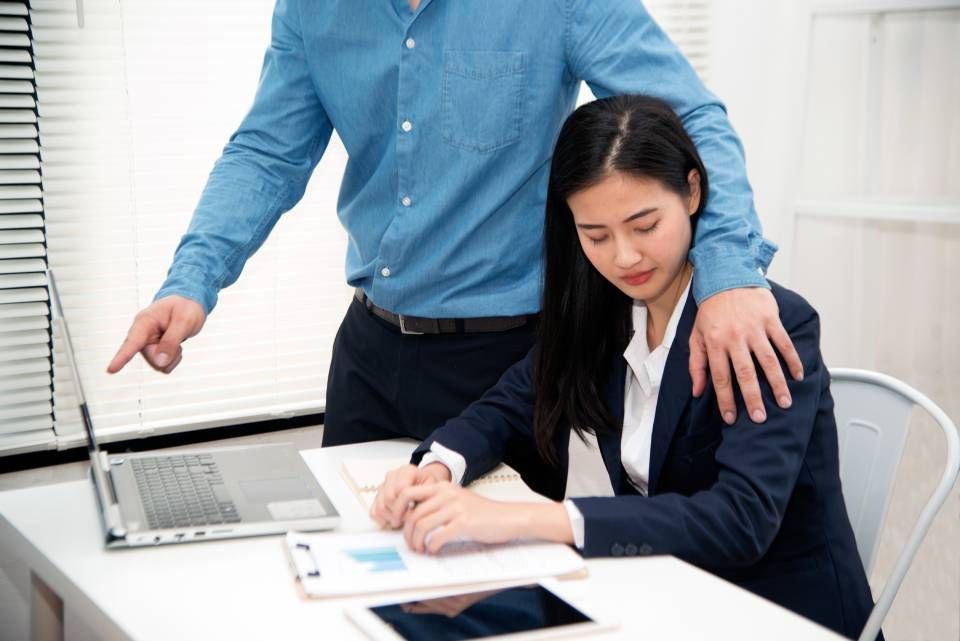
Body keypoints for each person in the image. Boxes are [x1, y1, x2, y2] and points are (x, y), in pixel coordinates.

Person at [105, 0, 804, 449]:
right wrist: (190, 281)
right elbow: (266, 153)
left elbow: (690, 121)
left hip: (503, 364)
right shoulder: (311, 10)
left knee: (489, 598)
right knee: (353, 583)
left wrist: (728, 273)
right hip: (368, 355)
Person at [370, 95, 878, 639]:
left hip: (766, 612)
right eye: (596, 236)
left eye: (644, 225)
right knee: (407, 613)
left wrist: (523, 521)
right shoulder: (605, 309)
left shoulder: (762, 324)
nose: (624, 257)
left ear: (692, 192)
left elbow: (740, 521)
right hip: (656, 592)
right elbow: (510, 404)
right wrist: (436, 469)